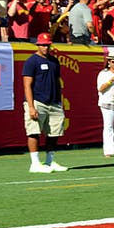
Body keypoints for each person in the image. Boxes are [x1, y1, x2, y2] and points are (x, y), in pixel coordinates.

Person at [22, 32, 69, 173]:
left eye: (47, 45)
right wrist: (31, 106)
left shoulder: (54, 61)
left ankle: (49, 161)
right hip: (37, 101)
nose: (45, 47)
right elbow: (27, 85)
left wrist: (59, 101)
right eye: (43, 45)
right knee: (34, 132)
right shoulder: (31, 61)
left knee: (54, 133)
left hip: (54, 102)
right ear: (38, 45)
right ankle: (35, 163)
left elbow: (56, 82)